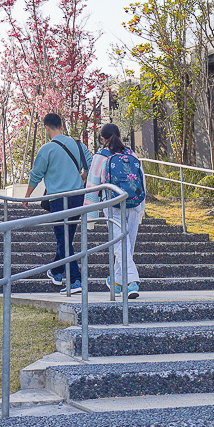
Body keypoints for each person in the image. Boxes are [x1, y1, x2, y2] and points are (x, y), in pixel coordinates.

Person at [23, 113, 91, 294]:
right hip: (77, 197)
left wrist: (27, 196)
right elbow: (90, 165)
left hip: (59, 200)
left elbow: (36, 174)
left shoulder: (47, 149)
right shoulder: (77, 144)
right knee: (66, 239)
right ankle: (56, 270)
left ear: (46, 128)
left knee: (63, 239)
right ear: (61, 125)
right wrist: (82, 177)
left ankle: (76, 280)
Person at [84, 123, 146, 299]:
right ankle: (117, 282)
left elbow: (92, 186)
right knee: (128, 245)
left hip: (113, 205)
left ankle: (132, 281)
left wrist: (91, 217)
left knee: (120, 244)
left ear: (103, 139)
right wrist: (141, 207)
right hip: (133, 204)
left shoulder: (100, 156)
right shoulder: (130, 154)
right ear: (119, 135)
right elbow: (142, 182)